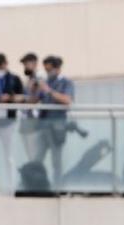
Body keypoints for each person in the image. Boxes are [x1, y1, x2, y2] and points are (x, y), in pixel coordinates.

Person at [33, 56, 74, 189]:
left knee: (56, 161)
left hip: (57, 127)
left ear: (57, 68)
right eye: (46, 70)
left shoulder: (66, 82)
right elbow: (33, 100)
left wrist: (49, 91)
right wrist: (34, 88)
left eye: (50, 69)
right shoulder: (45, 82)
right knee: (37, 159)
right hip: (42, 125)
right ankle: (36, 185)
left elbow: (67, 100)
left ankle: (57, 187)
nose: (48, 72)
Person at [0, 53, 25, 196]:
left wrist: (9, 98)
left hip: (9, 121)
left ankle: (11, 187)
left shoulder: (14, 78)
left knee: (8, 156)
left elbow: (23, 97)